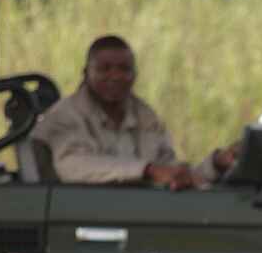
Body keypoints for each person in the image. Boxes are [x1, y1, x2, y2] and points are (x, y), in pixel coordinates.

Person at [31, 35, 236, 188]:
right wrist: (147, 170)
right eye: (104, 68)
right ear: (86, 74)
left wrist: (216, 164)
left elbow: (168, 169)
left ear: (135, 75)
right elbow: (74, 167)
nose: (115, 76)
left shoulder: (144, 116)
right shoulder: (64, 117)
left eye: (124, 69)